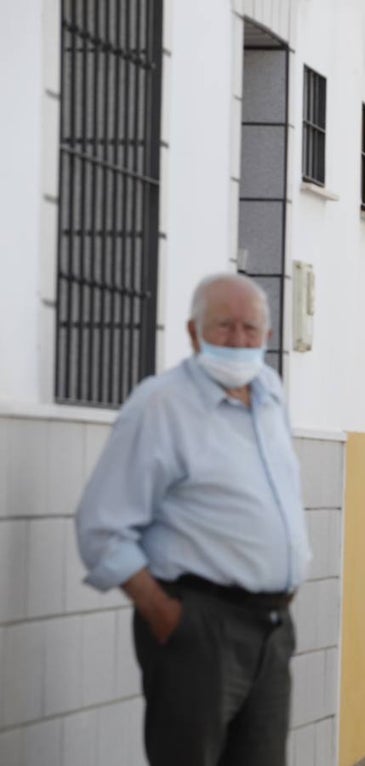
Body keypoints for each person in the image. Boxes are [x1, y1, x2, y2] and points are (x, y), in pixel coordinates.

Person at [75, 272, 311, 766]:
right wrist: (166, 616)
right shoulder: (161, 404)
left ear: (267, 336)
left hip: (272, 628)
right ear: (193, 332)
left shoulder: (270, 395)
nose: (239, 339)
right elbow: (101, 526)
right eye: (224, 326)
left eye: (251, 328)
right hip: (199, 627)